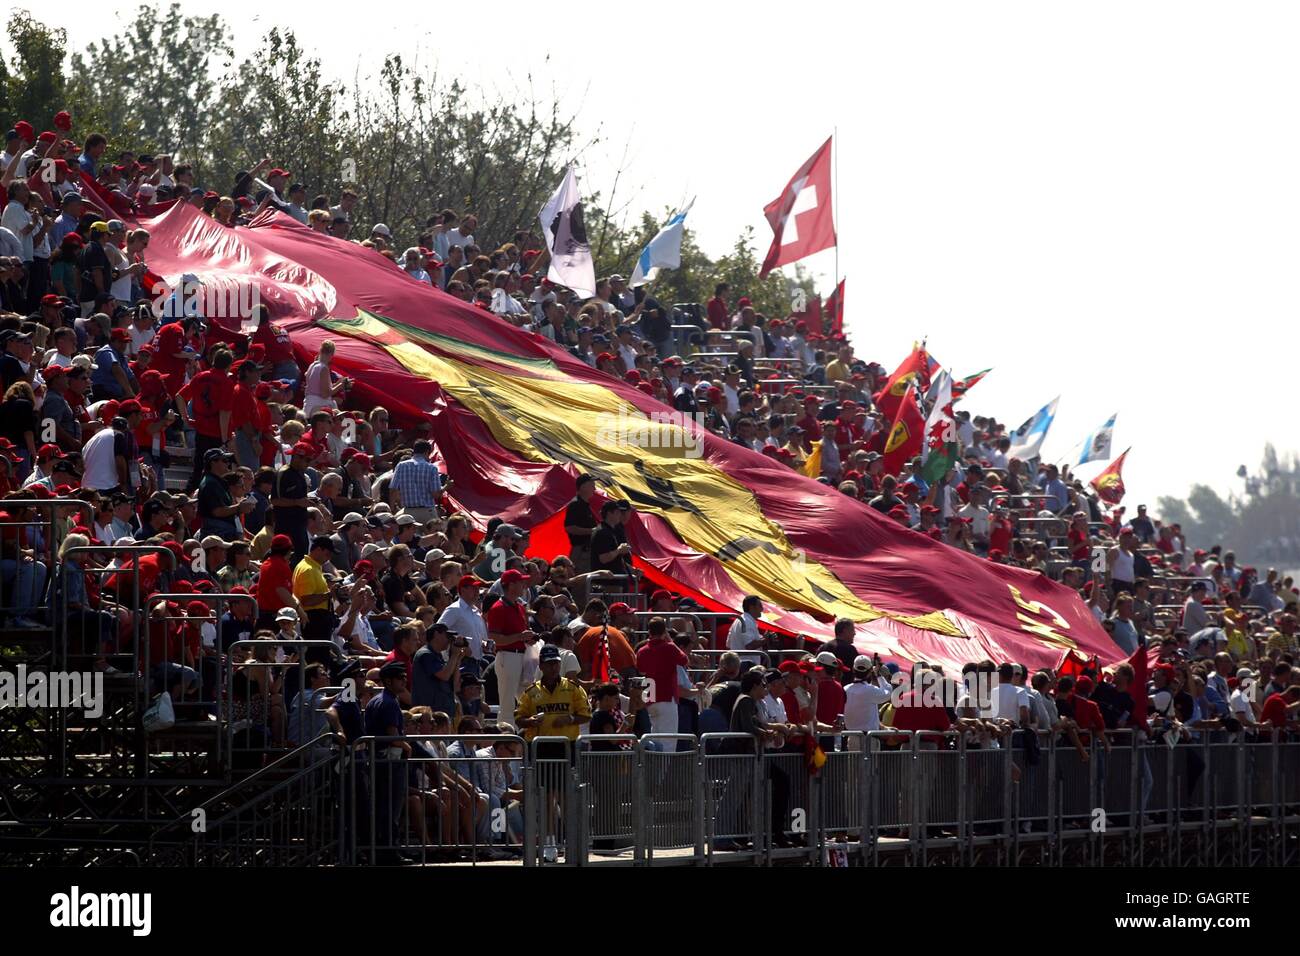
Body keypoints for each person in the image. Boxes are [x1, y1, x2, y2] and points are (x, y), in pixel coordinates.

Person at [485, 568, 538, 720]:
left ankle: (523, 735)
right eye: (521, 582)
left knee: (528, 700)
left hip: (522, 656)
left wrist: (529, 637)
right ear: (511, 585)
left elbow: (521, 633)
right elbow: (495, 637)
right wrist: (520, 637)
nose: (524, 584)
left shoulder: (519, 606)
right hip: (507, 657)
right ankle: (505, 737)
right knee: (508, 704)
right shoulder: (498, 608)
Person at [635, 616, 689, 739]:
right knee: (668, 739)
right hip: (667, 696)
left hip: (650, 695)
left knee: (655, 736)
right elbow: (685, 660)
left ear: (649, 632)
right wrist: (670, 641)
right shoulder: (669, 647)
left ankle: (653, 759)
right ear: (664, 632)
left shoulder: (642, 651)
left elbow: (641, 670)